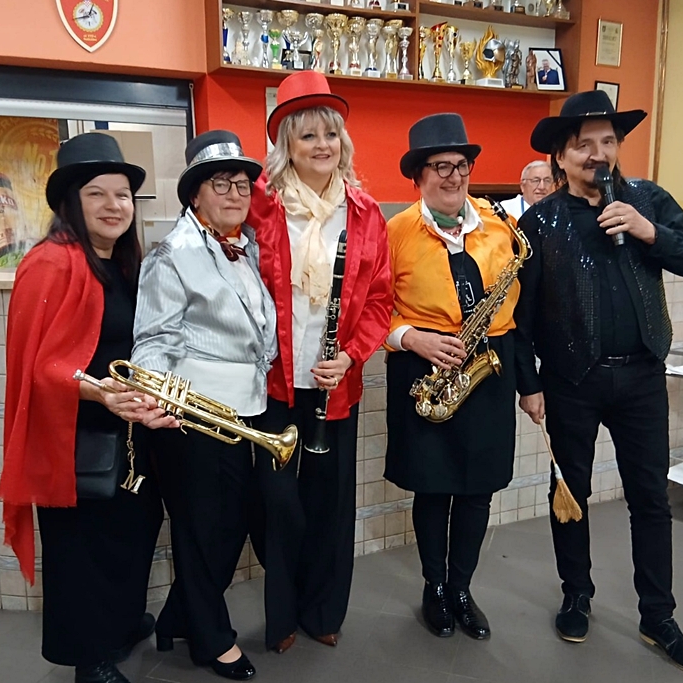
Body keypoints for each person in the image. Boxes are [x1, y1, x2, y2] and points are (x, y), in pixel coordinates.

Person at [514, 90, 683, 674]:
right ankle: (576, 595)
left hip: (643, 376)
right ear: (561, 156)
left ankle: (659, 616)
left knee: (650, 498)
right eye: (584, 144)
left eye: (608, 141)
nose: (598, 154)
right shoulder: (539, 222)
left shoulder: (648, 200)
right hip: (571, 380)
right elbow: (520, 315)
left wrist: (650, 232)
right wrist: (528, 383)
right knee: (570, 494)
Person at [0, 133, 174, 683]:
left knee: (133, 532)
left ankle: (120, 625)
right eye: (97, 194)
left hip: (129, 431)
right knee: (82, 550)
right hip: (74, 433)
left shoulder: (125, 263)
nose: (113, 205)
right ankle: (89, 659)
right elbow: (33, 368)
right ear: (71, 203)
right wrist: (97, 390)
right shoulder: (49, 264)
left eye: (122, 195)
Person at [247, 70, 392, 654]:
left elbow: (379, 298)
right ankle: (282, 615)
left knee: (331, 505)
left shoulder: (364, 211)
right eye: (307, 135)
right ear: (286, 143)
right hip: (274, 382)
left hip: (335, 383)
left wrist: (352, 355)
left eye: (330, 133)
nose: (322, 145)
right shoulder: (259, 206)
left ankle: (323, 611)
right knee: (278, 504)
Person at [131, 131, 275, 682]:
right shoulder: (172, 255)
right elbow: (153, 338)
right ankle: (211, 639)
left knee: (230, 526)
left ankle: (177, 617)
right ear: (195, 194)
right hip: (192, 419)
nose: (236, 193)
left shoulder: (245, 245)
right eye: (221, 183)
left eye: (242, 185)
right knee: (203, 531)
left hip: (245, 412)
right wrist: (156, 395)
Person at [384, 113, 521, 641]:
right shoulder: (396, 231)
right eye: (440, 166)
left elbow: (518, 305)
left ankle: (462, 589)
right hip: (426, 370)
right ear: (418, 175)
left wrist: (529, 382)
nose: (453, 176)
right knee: (433, 487)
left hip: (489, 369)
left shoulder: (496, 224)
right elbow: (371, 308)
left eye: (461, 165)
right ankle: (434, 588)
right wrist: (411, 338)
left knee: (478, 489)